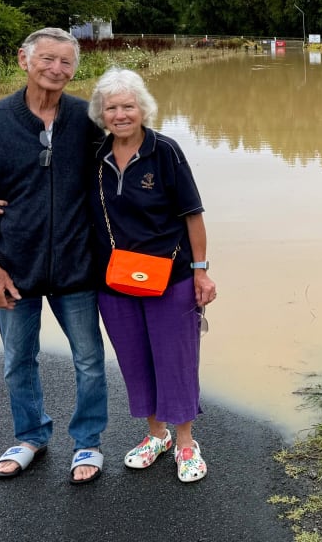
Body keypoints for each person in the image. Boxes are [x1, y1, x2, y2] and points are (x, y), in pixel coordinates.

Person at [0, 27, 108, 484]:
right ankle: (30, 436)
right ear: (24, 60)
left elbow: (123, 162)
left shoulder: (87, 118)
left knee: (89, 360)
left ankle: (88, 442)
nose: (57, 69)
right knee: (18, 358)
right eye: (48, 59)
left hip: (77, 267)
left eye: (67, 63)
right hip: (13, 267)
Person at [87, 66, 217, 483]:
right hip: (115, 279)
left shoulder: (166, 151)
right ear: (100, 113)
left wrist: (201, 272)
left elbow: (192, 215)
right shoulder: (95, 156)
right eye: (112, 107)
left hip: (171, 277)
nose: (120, 114)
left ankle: (184, 443)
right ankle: (155, 435)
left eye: (128, 106)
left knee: (175, 360)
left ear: (143, 109)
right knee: (135, 359)